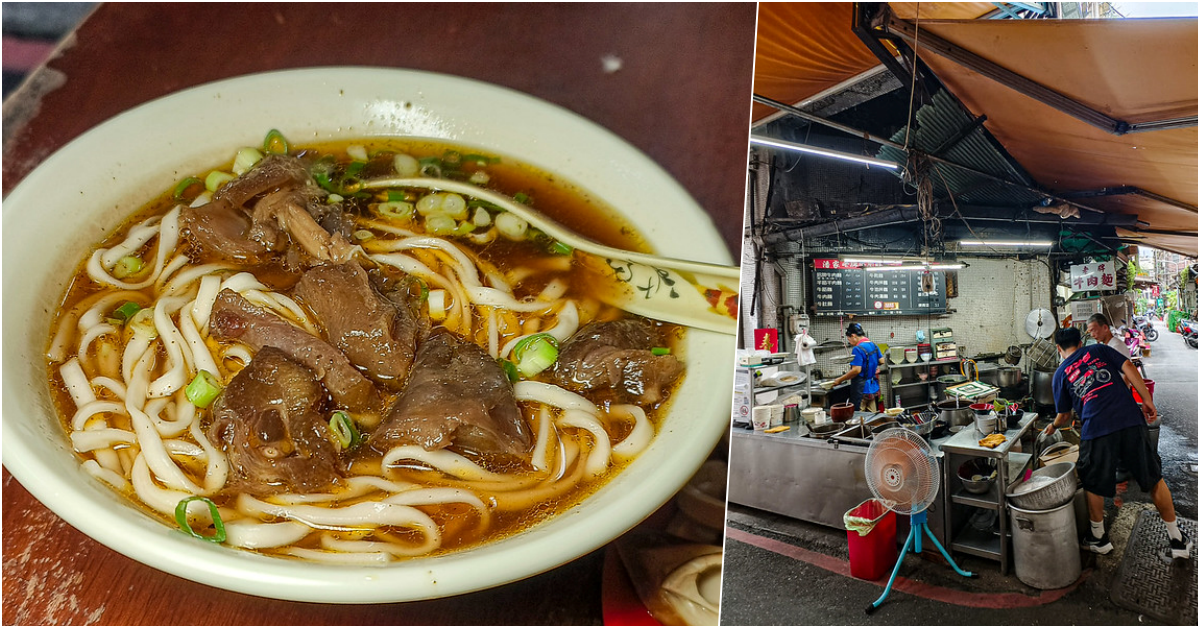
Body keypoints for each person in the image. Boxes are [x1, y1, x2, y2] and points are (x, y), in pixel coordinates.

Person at [1042, 327, 1190, 559]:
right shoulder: (1099, 349)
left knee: (1093, 482)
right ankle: (1177, 539)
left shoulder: (1060, 374)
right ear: (1081, 344)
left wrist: (1053, 426)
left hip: (1096, 429)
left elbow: (1064, 416)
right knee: (1153, 478)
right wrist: (1148, 401)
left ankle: (1099, 539)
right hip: (1130, 419)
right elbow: (1129, 366)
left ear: (1059, 349)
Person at [830, 323, 880, 412]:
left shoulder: (857, 349)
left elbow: (856, 370)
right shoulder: (873, 345)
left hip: (861, 389)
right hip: (871, 387)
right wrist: (871, 365)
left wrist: (839, 380)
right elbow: (881, 361)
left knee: (858, 417)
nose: (849, 342)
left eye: (849, 339)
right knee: (872, 416)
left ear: (853, 336)